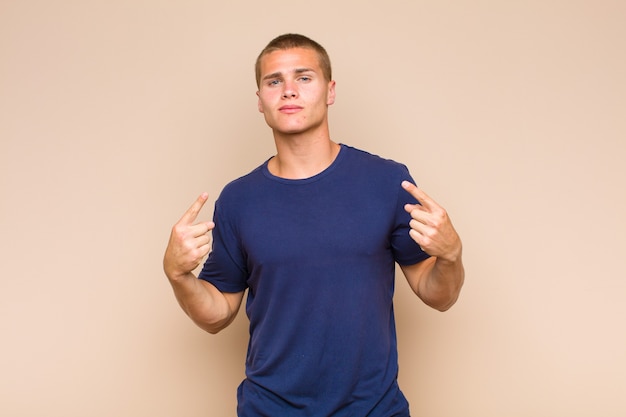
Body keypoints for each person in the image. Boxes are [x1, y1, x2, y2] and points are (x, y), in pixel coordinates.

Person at [163, 33, 464, 417]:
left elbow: (437, 294)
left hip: (374, 409)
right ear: (260, 100)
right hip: (269, 408)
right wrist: (178, 275)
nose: (289, 90)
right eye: (275, 81)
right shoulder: (238, 200)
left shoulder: (387, 182)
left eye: (304, 78)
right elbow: (217, 313)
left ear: (330, 90)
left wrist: (451, 255)